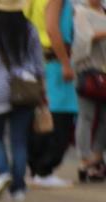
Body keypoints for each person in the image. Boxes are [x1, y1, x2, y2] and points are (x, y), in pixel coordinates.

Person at [0, 0, 45, 202]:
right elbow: (38, 62)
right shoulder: (29, 28)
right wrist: (41, 87)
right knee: (19, 140)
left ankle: (3, 172)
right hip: (24, 88)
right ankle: (18, 189)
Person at [26, 0, 78, 188]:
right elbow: (52, 28)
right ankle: (44, 169)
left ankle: (36, 169)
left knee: (42, 118)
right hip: (56, 61)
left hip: (42, 61)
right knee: (61, 117)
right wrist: (65, 62)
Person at [72, 0, 106, 182]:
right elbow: (84, 37)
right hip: (88, 71)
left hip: (104, 72)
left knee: (104, 119)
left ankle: (97, 156)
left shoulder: (103, 11)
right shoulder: (81, 12)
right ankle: (84, 159)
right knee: (86, 116)